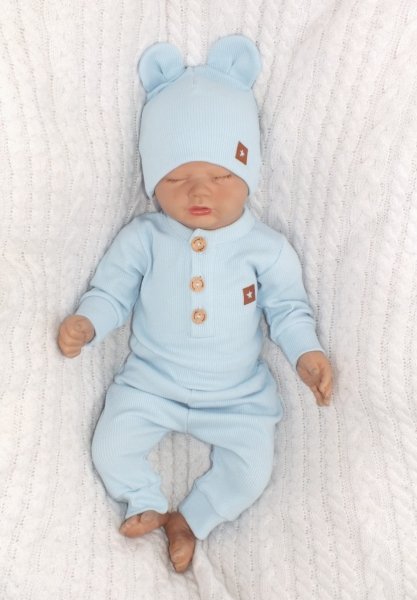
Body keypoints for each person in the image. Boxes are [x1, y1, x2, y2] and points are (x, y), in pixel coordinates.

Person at [58, 35, 333, 573]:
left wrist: (307, 353)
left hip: (238, 396)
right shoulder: (144, 238)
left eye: (221, 176)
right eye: (177, 177)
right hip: (150, 382)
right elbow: (112, 291)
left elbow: (288, 309)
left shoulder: (266, 248)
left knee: (252, 469)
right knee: (109, 447)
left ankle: (192, 519)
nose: (199, 192)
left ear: (248, 173)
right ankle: (144, 500)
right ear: (153, 182)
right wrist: (88, 323)